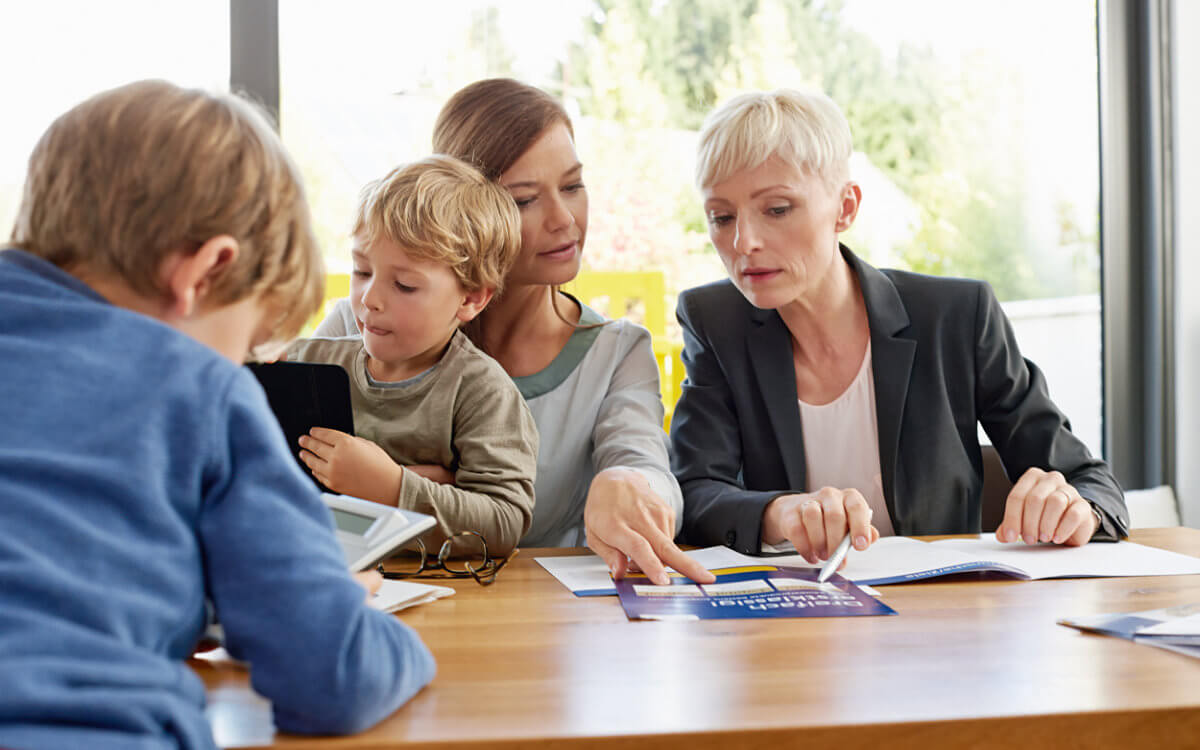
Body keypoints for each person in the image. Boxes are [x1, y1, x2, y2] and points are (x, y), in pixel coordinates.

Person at [0, 80, 434, 750]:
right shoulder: (199, 388)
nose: (240, 370)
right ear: (203, 274)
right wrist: (382, 635)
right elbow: (331, 675)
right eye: (247, 347)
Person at [670, 88, 1129, 564]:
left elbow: (1089, 481)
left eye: (777, 209)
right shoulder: (715, 322)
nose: (744, 241)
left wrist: (1075, 508)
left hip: (943, 615)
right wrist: (781, 513)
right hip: (797, 620)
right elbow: (694, 491)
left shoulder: (956, 316)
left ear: (845, 208)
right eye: (721, 217)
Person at [316, 78, 713, 585]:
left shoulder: (616, 353)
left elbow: (644, 464)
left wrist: (626, 482)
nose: (565, 219)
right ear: (468, 215)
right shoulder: (364, 326)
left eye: (572, 186)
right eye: (524, 200)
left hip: (535, 627)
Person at [288, 155, 538, 555]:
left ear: (472, 298)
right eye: (362, 271)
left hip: (446, 602)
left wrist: (392, 487)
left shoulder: (481, 391)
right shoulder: (305, 364)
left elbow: (504, 522)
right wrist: (427, 483)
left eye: (404, 285)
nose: (369, 299)